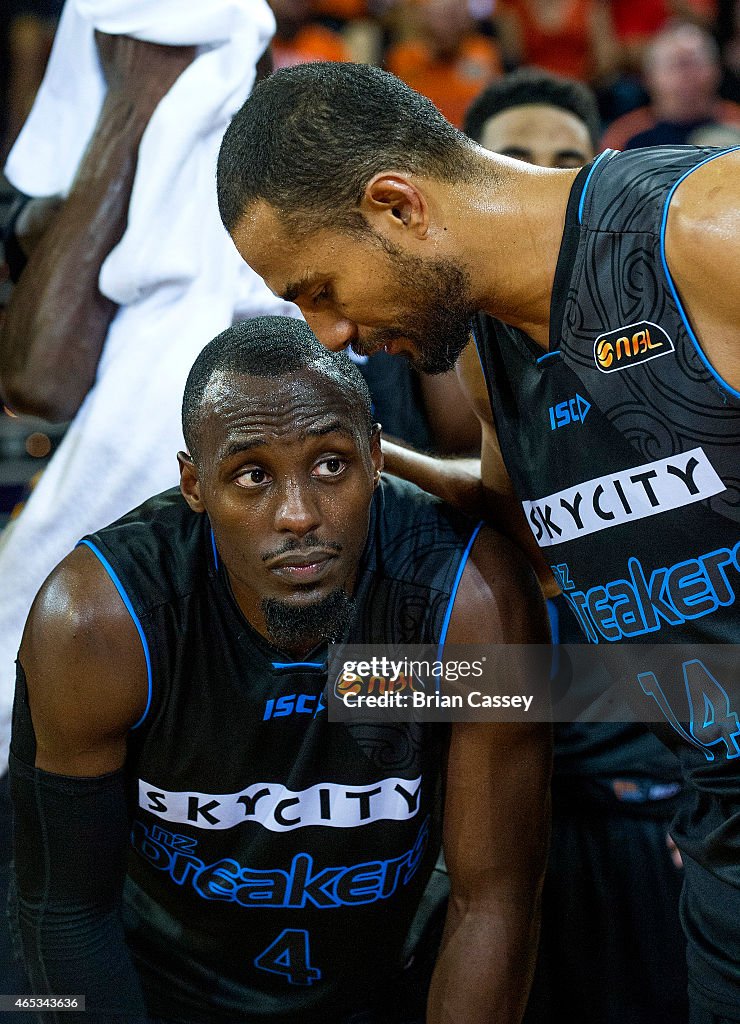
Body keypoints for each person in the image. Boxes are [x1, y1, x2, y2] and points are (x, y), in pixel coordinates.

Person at [215, 61, 740, 1024]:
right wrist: (360, 459)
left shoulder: (703, 226)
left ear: (396, 205)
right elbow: (540, 551)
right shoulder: (495, 355)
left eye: (320, 286)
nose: (327, 332)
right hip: (718, 837)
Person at [9, 316, 551, 1024]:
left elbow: (496, 899)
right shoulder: (96, 620)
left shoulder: (471, 601)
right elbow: (67, 909)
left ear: (376, 460)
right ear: (194, 484)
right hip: (148, 982)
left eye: (331, 464)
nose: (298, 515)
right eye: (252, 474)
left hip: (378, 984)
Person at [462, 68, 688, 1024]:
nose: (541, 186)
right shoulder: (393, 397)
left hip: (661, 814)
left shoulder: (679, 353)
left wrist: (396, 684)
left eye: (566, 165)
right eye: (515, 161)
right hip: (493, 826)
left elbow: (713, 673)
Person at [602, 20, 740, 149]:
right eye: (676, 65)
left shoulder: (736, 123)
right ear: (649, 77)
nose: (687, 75)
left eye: (694, 63)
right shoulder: (625, 137)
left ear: (717, 70)